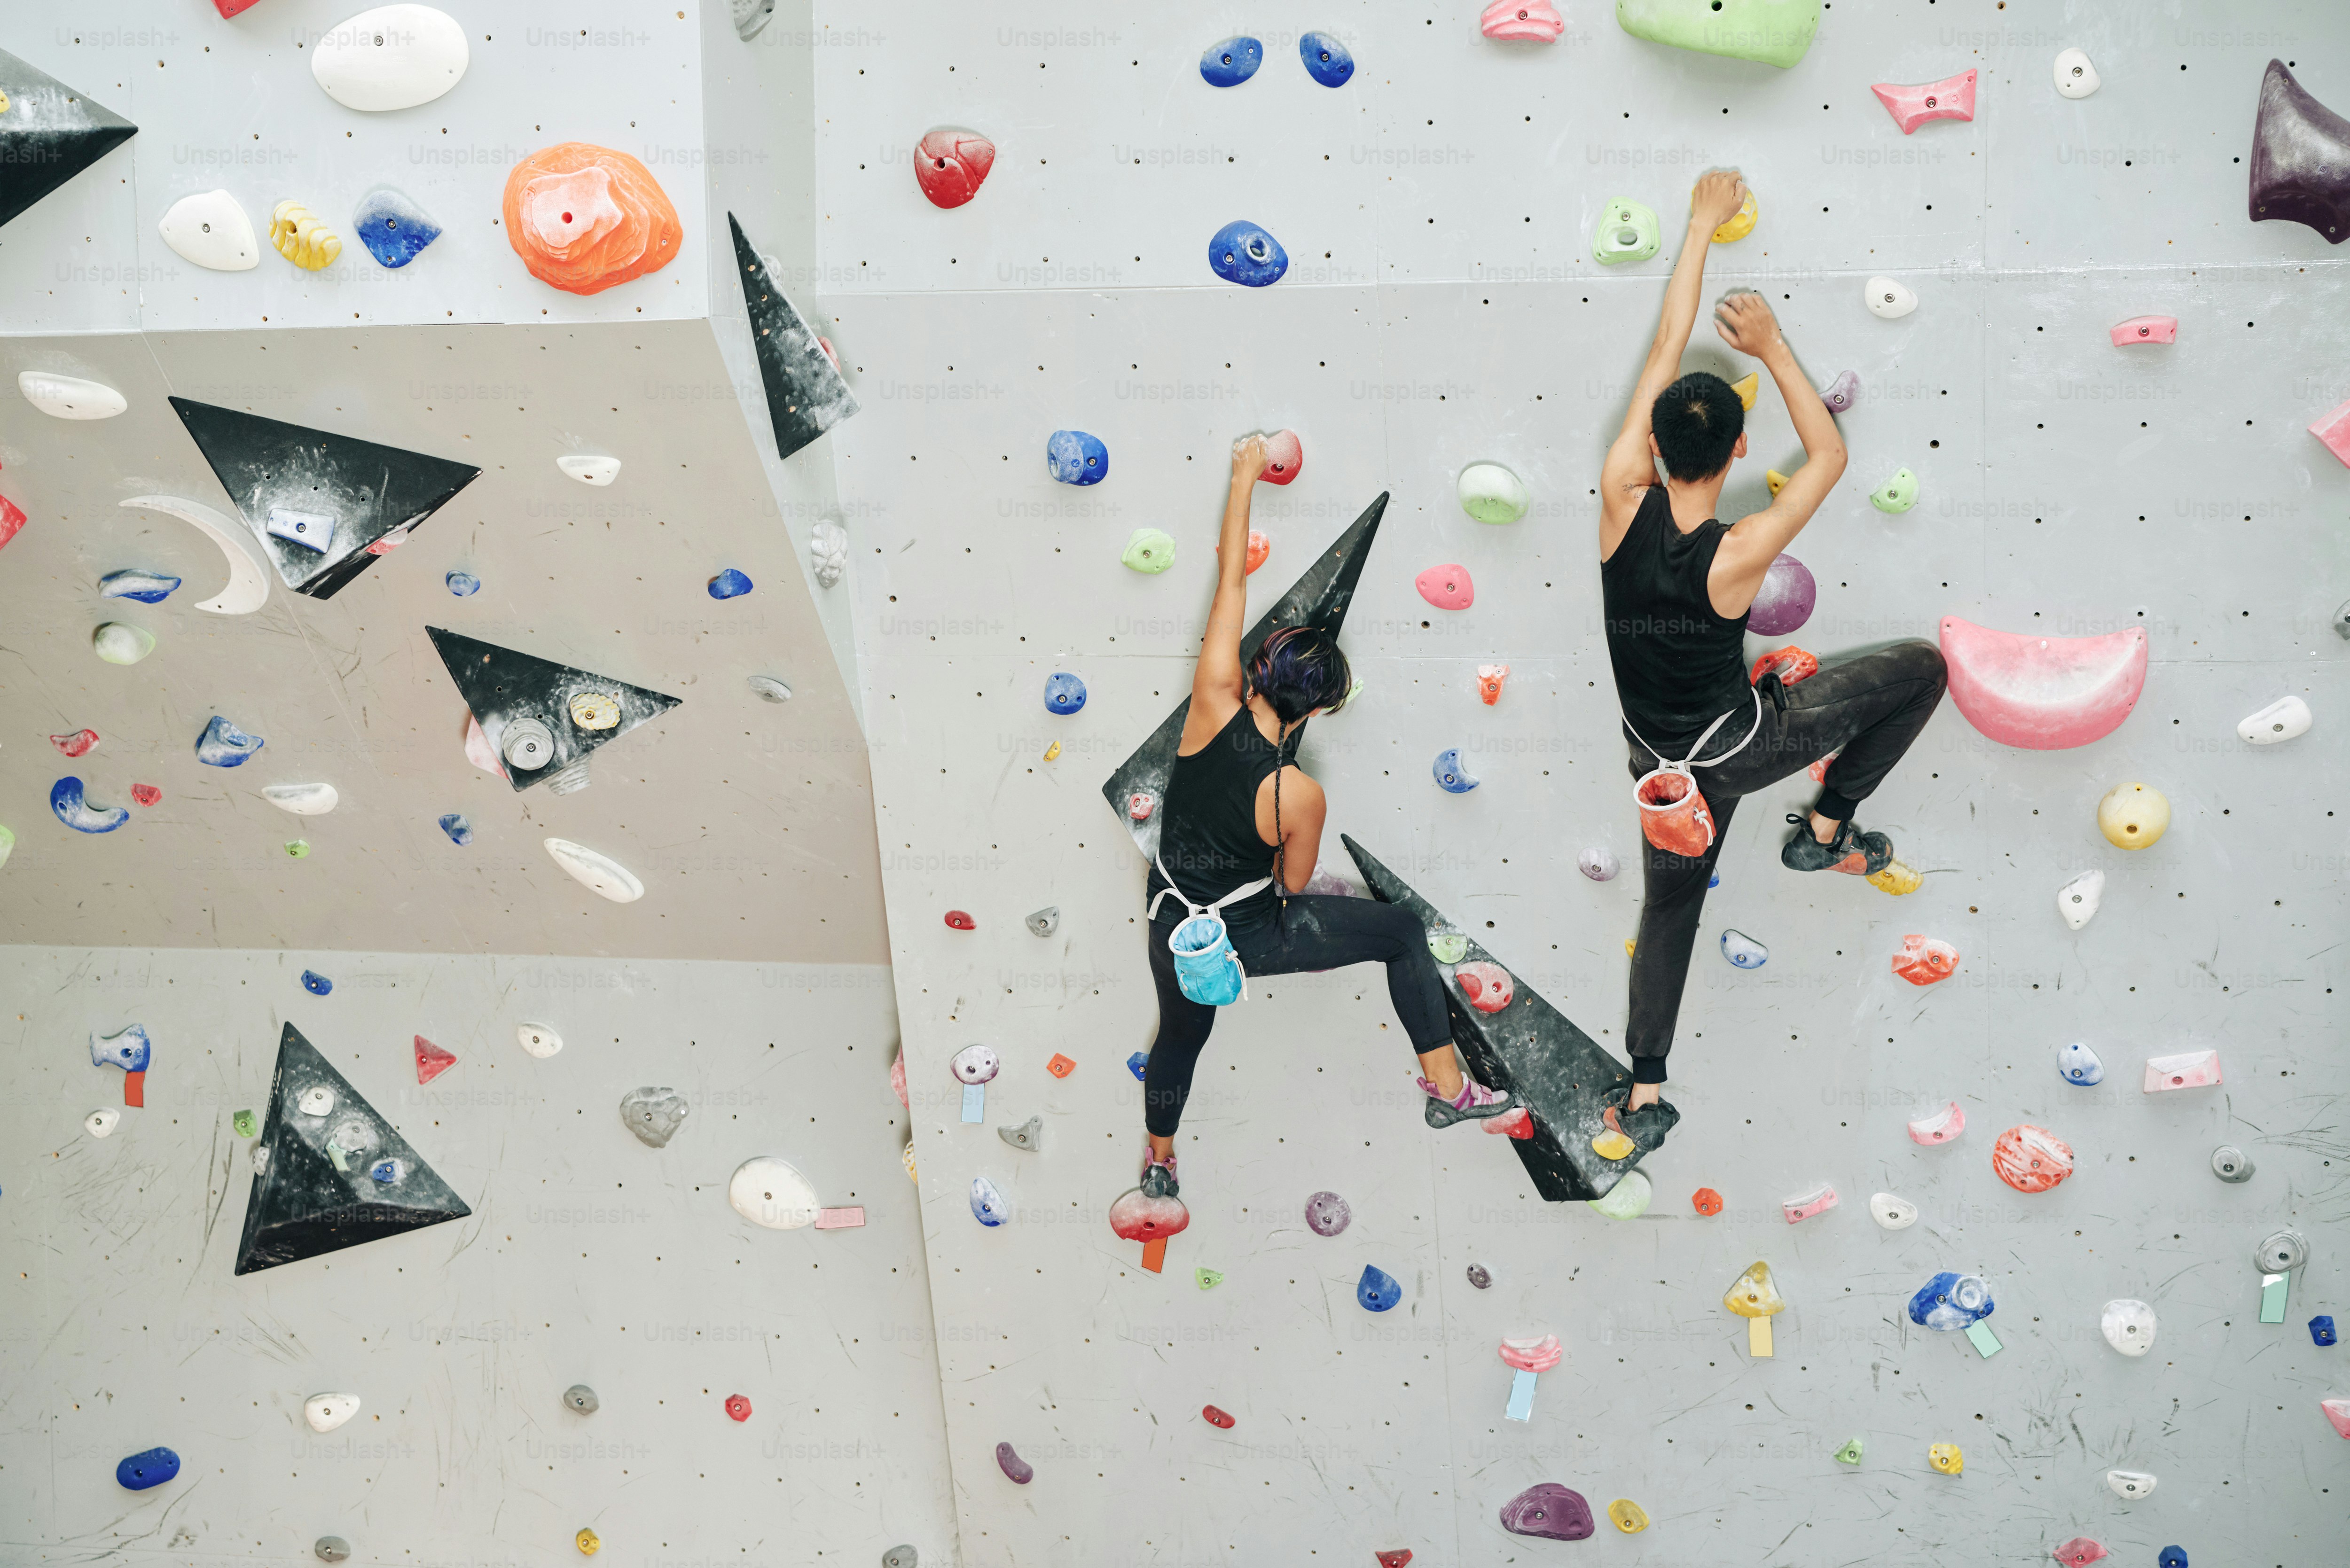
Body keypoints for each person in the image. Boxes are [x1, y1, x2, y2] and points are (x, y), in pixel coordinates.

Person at [1598, 170, 1949, 1123]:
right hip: (1739, 747)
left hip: (1658, 770)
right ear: (1741, 448)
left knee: (1669, 909)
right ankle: (1828, 829)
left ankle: (1645, 1088)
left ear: (1656, 447)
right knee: (1922, 667)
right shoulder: (1739, 552)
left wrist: (1699, 225)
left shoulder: (1618, 499)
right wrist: (1771, 345)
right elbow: (1829, 456)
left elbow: (1666, 344)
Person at [1136, 436, 1521, 1198]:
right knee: (1402, 935)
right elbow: (1292, 882)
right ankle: (1447, 1087)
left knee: (1183, 1031)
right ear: (1317, 707)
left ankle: (1159, 1157)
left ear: (1258, 667)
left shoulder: (1211, 701)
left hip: (1168, 923)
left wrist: (1245, 473)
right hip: (1242, 937)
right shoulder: (1296, 795)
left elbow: (1231, 587)